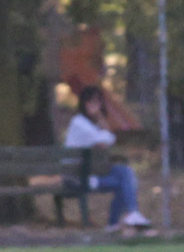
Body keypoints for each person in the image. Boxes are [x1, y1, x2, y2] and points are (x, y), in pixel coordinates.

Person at [64, 85, 151, 231]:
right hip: (78, 177)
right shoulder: (79, 123)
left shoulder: (92, 124)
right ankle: (116, 221)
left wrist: (100, 117)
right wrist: (102, 127)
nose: (94, 106)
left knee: (125, 172)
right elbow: (106, 140)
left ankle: (130, 214)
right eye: (90, 102)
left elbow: (107, 138)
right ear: (83, 103)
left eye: (97, 102)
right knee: (126, 182)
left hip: (90, 172)